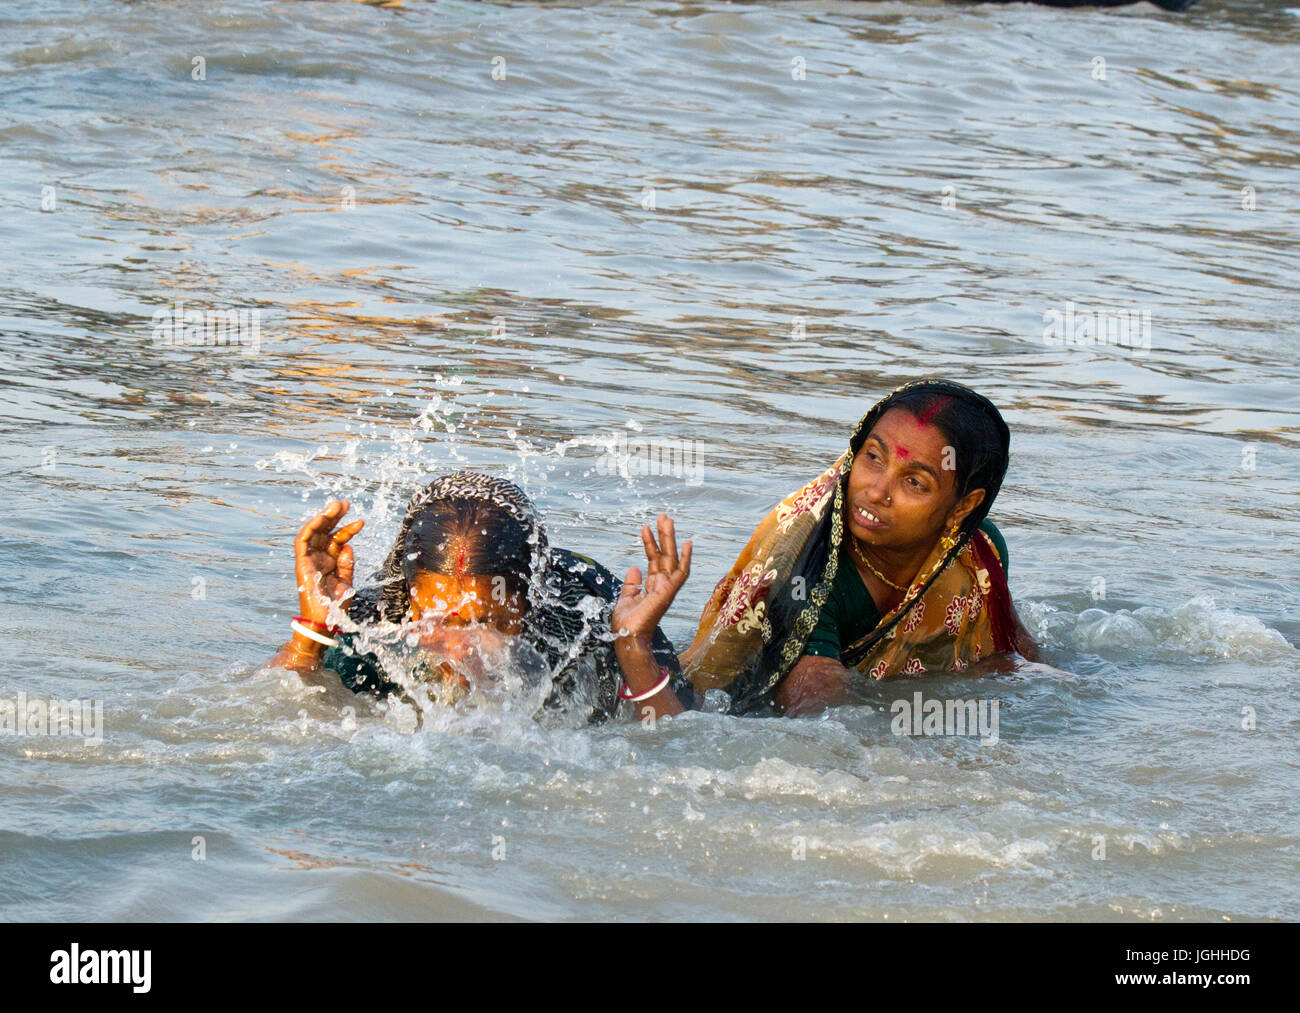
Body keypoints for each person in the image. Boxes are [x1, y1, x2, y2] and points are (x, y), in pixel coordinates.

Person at [679, 378, 1038, 716]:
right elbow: (818, 712)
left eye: (914, 482)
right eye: (873, 457)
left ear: (962, 508)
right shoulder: (806, 565)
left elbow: (1011, 652)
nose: (877, 491)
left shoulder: (976, 554)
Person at [267, 471, 694, 723]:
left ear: (530, 601)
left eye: (489, 623)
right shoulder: (379, 620)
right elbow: (272, 708)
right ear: (410, 602)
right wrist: (313, 630)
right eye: (441, 621)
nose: (462, 649)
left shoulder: (589, 617)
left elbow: (674, 744)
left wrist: (634, 649)